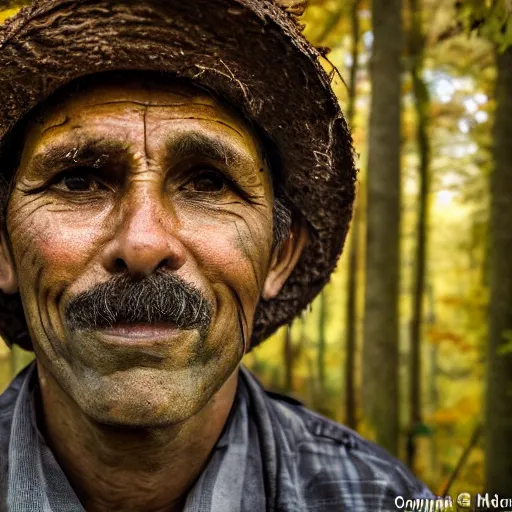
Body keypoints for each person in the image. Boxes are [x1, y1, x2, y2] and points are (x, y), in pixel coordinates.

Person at [0, 1, 434, 511]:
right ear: (4, 247)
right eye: (78, 180)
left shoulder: (381, 498)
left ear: (279, 255)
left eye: (208, 182)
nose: (143, 244)